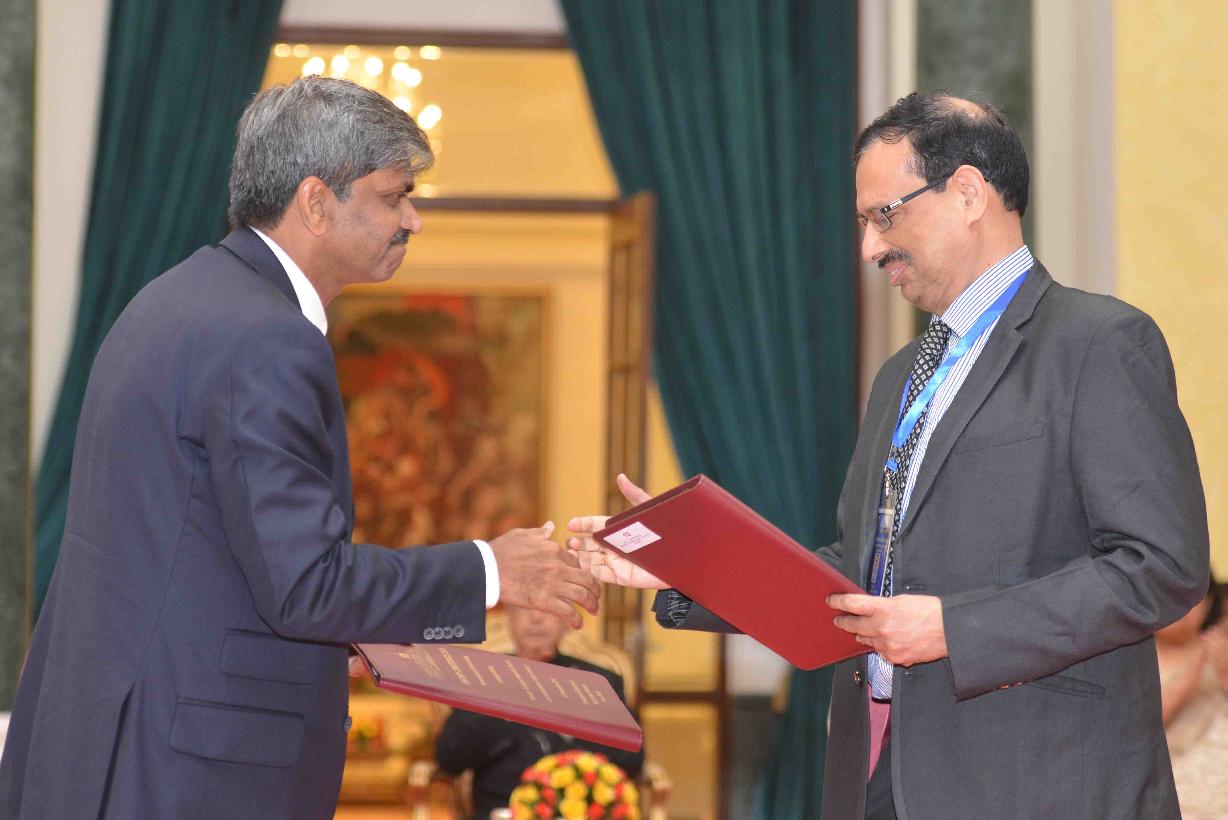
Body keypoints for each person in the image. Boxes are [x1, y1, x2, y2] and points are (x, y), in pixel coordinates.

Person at [569, 93, 1209, 819]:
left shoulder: (1096, 344)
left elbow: (1161, 566)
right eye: (864, 223)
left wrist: (953, 630)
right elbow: (855, 576)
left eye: (885, 215)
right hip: (878, 779)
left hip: (1038, 784)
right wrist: (686, 565)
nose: (871, 249)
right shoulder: (902, 374)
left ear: (967, 193)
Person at [0, 76, 599, 820]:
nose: (412, 220)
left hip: (124, 742)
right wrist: (491, 569)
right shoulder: (267, 338)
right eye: (394, 197)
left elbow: (209, 559)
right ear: (316, 203)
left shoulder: (173, 299)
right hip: (191, 769)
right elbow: (305, 586)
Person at [435, 605, 644, 819]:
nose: (536, 618)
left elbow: (632, 760)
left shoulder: (598, 682)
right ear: (509, 619)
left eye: (547, 607)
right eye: (525, 607)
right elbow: (449, 759)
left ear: (566, 621)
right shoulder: (480, 680)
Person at [1157, 578, 1228, 819]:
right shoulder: (1129, 662)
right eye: (1169, 595)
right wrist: (1189, 679)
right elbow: (1132, 736)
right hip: (1169, 803)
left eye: (1192, 597)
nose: (1181, 608)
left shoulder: (1222, 652)